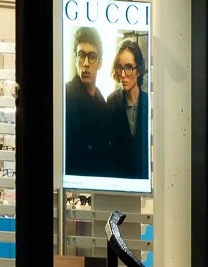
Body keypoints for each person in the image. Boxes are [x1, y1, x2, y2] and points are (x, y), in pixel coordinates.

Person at [64, 25, 112, 178]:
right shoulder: (65, 95)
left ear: (100, 63)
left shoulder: (103, 103)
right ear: (75, 58)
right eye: (81, 55)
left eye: (92, 56)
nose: (85, 63)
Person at [105, 36, 149, 182]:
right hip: (118, 181)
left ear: (139, 70)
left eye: (129, 68)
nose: (123, 74)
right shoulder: (111, 102)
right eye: (120, 67)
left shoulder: (149, 103)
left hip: (144, 183)